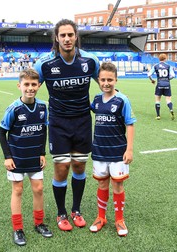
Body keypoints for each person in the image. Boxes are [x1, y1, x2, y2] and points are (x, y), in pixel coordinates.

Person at [34, 19, 100, 231]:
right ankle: (61, 213)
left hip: (82, 121)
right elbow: (30, 86)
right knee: (61, 168)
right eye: (62, 35)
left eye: (70, 35)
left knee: (79, 166)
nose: (67, 39)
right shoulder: (44, 64)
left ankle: (76, 210)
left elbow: (105, 82)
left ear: (76, 36)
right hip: (58, 123)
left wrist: (114, 103)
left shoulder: (90, 61)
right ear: (56, 38)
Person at [0, 68, 52, 246]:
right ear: (19, 86)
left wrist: (42, 153)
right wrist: (7, 156)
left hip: (34, 156)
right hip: (17, 157)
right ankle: (18, 228)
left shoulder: (43, 107)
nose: (30, 88)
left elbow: (43, 130)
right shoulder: (14, 108)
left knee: (38, 189)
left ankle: (39, 223)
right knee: (18, 190)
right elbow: (2, 133)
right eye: (26, 84)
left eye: (33, 84)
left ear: (39, 85)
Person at [89, 62, 136, 237]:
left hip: (118, 152)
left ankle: (119, 219)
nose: (106, 83)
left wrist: (129, 149)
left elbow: (130, 124)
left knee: (117, 184)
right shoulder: (96, 100)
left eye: (110, 79)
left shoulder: (122, 100)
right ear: (98, 81)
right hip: (99, 151)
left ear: (116, 79)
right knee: (102, 183)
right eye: (103, 80)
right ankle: (101, 217)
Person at [148, 53, 176, 120]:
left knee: (157, 100)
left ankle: (158, 115)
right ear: (165, 58)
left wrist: (152, 80)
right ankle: (171, 109)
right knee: (168, 100)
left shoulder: (156, 66)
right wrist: (167, 79)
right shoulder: (168, 66)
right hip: (167, 84)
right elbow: (173, 75)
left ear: (159, 59)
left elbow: (149, 74)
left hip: (159, 84)